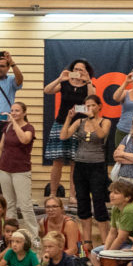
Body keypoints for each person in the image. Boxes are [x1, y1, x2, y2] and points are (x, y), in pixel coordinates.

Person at [42, 60, 94, 198]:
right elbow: (47, 90)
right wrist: (60, 78)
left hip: (80, 125)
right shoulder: (65, 83)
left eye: (81, 69)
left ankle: (73, 195)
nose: (78, 71)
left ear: (86, 71)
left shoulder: (88, 85)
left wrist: (88, 81)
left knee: (75, 162)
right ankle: (53, 193)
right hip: (61, 123)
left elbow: (92, 101)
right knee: (57, 161)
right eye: (75, 69)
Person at [64, 99, 113, 233]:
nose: (90, 108)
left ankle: (105, 241)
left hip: (97, 165)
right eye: (87, 106)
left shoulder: (105, 121)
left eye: (93, 105)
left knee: (99, 202)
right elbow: (64, 136)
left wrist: (92, 117)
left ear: (99, 106)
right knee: (82, 202)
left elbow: (101, 134)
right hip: (80, 165)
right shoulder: (79, 122)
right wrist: (69, 118)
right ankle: (87, 241)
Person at [0, 101, 38, 229]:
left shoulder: (29, 128)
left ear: (24, 113)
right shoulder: (7, 127)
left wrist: (14, 122)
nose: (13, 113)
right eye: (12, 111)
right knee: (9, 204)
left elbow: (24, 140)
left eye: (17, 111)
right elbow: (0, 148)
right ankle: (11, 233)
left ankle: (33, 235)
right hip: (4, 169)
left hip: (21, 171)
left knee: (25, 205)